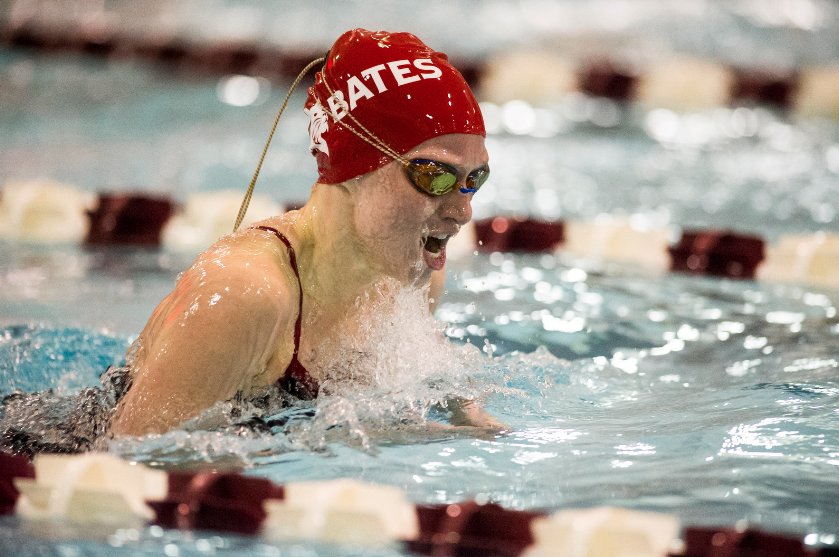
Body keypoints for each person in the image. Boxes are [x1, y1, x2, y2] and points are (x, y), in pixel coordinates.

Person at [110, 29, 494, 436]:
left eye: (475, 179)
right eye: (434, 176)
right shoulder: (245, 296)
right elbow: (131, 462)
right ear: (353, 168)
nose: (462, 210)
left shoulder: (414, 278)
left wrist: (470, 417)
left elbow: (428, 372)